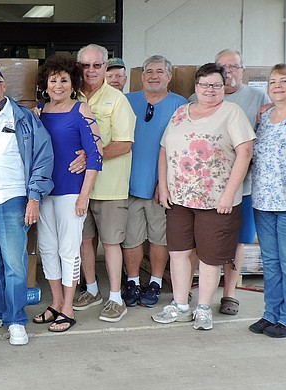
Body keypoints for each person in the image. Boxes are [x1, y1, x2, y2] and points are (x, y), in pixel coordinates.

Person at [153, 63, 255, 331]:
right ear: (196, 87)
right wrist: (163, 187)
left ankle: (203, 308)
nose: (210, 90)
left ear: (224, 88)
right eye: (205, 85)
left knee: (210, 257)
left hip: (216, 202)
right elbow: (164, 150)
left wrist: (229, 194)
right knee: (178, 253)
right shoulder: (180, 113)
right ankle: (180, 305)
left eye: (216, 85)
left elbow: (245, 154)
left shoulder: (232, 113)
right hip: (179, 200)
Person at [0, 63, 53, 345]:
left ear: (4, 85)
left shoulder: (24, 117)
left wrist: (34, 197)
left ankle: (16, 320)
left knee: (14, 263)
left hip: (12, 198)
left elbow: (42, 156)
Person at [188, 49, 270, 315]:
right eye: (222, 66)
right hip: (202, 189)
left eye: (233, 66)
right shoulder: (194, 100)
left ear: (242, 70)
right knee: (199, 240)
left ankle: (230, 294)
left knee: (237, 241)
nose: (228, 71)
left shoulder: (259, 98)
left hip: (242, 187)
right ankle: (192, 292)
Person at [33, 55, 102, 333]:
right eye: (53, 80)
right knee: (47, 249)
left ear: (73, 83)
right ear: (45, 85)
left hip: (71, 192)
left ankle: (69, 308)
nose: (58, 85)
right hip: (44, 193)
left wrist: (85, 194)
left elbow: (95, 156)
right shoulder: (38, 112)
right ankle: (56, 303)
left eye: (64, 79)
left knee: (69, 250)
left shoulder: (81, 110)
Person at [72, 44, 136, 323]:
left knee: (110, 243)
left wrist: (90, 157)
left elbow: (124, 144)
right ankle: (92, 290)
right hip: (77, 188)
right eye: (85, 65)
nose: (90, 71)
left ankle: (115, 298)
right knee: (85, 241)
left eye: (96, 65)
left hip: (109, 187)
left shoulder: (117, 100)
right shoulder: (71, 95)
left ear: (105, 67)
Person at [248, 64, 286, 339]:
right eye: (273, 82)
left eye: (285, 81)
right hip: (263, 201)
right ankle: (271, 313)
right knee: (270, 262)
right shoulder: (264, 116)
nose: (278, 86)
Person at [121, 55, 187, 308]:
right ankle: (134, 281)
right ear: (142, 76)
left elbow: (181, 148)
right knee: (131, 238)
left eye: (160, 71)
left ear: (169, 77)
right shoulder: (128, 101)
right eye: (149, 71)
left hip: (162, 187)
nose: (154, 75)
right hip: (128, 184)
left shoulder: (179, 105)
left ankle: (156, 282)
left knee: (159, 238)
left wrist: (166, 183)